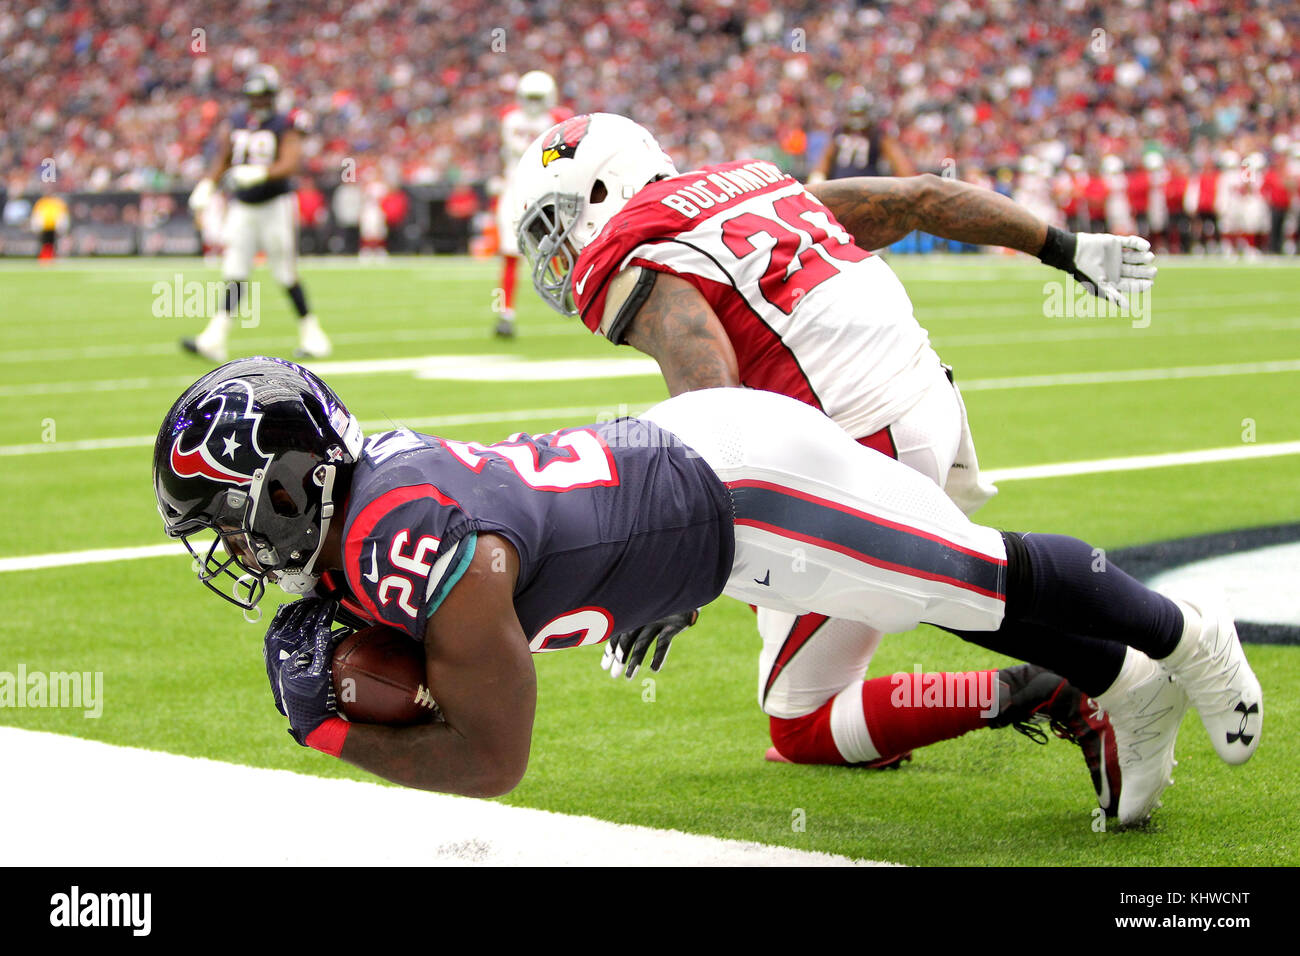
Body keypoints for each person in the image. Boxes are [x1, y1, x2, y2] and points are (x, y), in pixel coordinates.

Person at [153, 357, 1261, 824]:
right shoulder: (374, 511)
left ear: (297, 484)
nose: (233, 550)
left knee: (974, 572)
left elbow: (492, 756)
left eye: (228, 520)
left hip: (744, 489)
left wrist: (334, 735)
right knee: (945, 598)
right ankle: (1121, 679)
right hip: (702, 503)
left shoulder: (402, 535)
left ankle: (1188, 633)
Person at [511, 113, 1159, 802]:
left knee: (852, 664)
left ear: (606, 191)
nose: (552, 252)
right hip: (923, 398)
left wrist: (678, 573)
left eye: (557, 222)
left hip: (857, 443)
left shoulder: (639, 246)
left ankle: (1089, 680)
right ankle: (1111, 664)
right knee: (837, 615)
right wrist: (1066, 247)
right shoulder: (749, 183)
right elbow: (919, 198)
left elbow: (718, 405)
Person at [183, 65, 331, 362]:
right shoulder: (237, 121)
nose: (259, 102)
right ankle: (215, 338)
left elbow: (292, 162)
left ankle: (313, 335)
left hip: (275, 205)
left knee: (285, 272)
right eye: (254, 97)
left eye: (264, 97)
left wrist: (261, 174)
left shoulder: (286, 122)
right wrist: (207, 185)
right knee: (234, 270)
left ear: (273, 97)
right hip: (242, 206)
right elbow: (224, 158)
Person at [491, 70, 572, 337]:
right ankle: (507, 312)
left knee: (557, 245)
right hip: (536, 188)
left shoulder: (510, 116)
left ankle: (507, 312)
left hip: (523, 187)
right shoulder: (555, 118)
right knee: (518, 253)